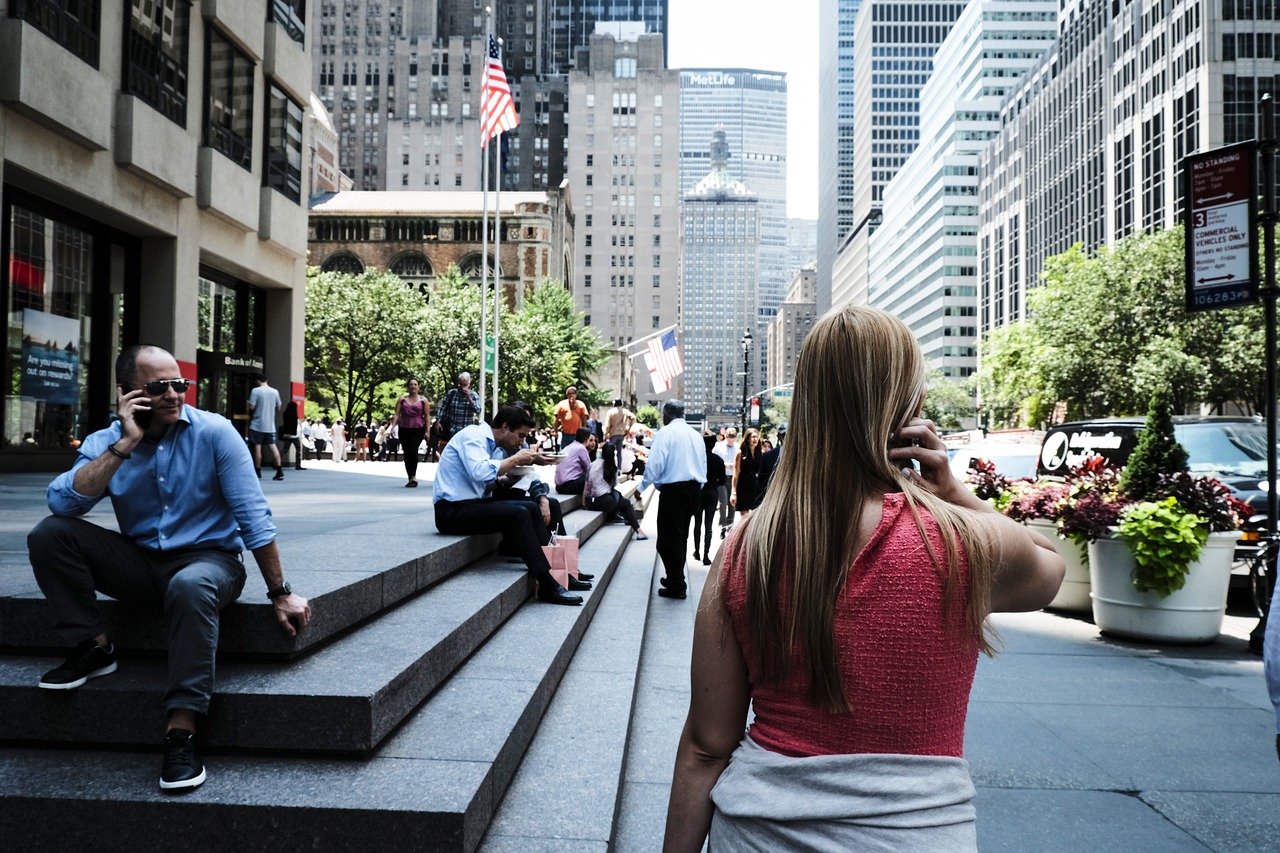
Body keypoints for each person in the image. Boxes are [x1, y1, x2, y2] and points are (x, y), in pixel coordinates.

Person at [662, 306, 1065, 851]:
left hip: (756, 832)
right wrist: (956, 493)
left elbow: (707, 747)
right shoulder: (966, 541)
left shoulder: (746, 547)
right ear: (911, 407)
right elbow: (1050, 567)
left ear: (806, 408)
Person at [27, 345, 312, 792]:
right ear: (127, 394)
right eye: (159, 387)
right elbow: (62, 502)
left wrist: (280, 592)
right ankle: (95, 644)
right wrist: (125, 444)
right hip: (141, 562)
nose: (174, 395)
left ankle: (182, 730)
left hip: (210, 562)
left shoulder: (215, 433)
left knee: (191, 584)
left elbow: (253, 516)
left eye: (179, 384)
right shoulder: (110, 441)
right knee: (50, 534)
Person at [433, 404, 586, 605]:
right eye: (520, 436)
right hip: (450, 512)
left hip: (469, 504)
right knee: (519, 514)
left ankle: (558, 572)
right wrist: (515, 460)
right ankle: (548, 584)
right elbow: (479, 472)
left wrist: (505, 480)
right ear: (505, 428)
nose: (521, 442)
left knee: (531, 507)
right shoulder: (473, 436)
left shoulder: (487, 443)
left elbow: (481, 485)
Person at [638, 400, 706, 600]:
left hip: (675, 492)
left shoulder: (665, 433)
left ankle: (677, 583)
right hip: (693, 490)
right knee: (680, 537)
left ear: (666, 415)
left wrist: (642, 487)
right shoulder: (695, 435)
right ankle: (674, 577)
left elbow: (655, 462)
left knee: (668, 540)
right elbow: (702, 464)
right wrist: (697, 487)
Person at [584, 443, 646, 540]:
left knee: (617, 496)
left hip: (592, 501)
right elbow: (613, 486)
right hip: (605, 501)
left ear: (602, 453)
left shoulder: (593, 464)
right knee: (626, 502)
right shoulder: (612, 467)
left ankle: (622, 515)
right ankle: (639, 531)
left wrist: (584, 501)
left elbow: (587, 484)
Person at [692, 432, 726, 567]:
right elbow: (722, 480)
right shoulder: (718, 460)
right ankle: (706, 554)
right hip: (712, 492)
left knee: (697, 523)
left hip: (699, 492)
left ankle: (697, 551)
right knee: (709, 525)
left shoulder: (697, 459)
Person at [390, 378, 431, 487]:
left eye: (415, 384)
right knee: (407, 453)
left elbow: (427, 417)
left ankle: (413, 476)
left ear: (418, 387)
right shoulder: (402, 400)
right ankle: (410, 477)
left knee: (413, 451)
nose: (413, 386)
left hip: (418, 428)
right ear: (408, 387)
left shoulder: (423, 400)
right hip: (404, 428)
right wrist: (392, 427)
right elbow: (396, 414)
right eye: (411, 384)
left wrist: (428, 431)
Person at [247, 373, 284, 480]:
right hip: (270, 426)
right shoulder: (275, 391)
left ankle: (258, 471)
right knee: (273, 447)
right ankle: (279, 470)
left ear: (257, 381)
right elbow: (279, 407)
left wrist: (248, 404)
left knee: (258, 447)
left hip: (257, 425)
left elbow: (252, 407)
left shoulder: (255, 391)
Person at [730, 428, 763, 521]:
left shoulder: (760, 453)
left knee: (756, 515)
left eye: (757, 437)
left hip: (756, 486)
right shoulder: (740, 453)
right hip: (743, 485)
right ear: (747, 438)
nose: (755, 439)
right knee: (745, 517)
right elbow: (735, 473)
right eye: (753, 437)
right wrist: (733, 492)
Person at [439, 372, 481, 440]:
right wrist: (438, 421)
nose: (462, 387)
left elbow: (478, 411)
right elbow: (442, 408)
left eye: (465, 385)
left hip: (467, 432)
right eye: (460, 384)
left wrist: (469, 398)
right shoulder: (452, 393)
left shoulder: (474, 395)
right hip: (453, 431)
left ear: (469, 384)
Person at [555, 428, 596, 495]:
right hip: (568, 485)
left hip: (558, 486)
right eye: (589, 439)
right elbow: (589, 468)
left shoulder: (569, 446)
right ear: (586, 439)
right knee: (593, 476)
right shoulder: (581, 448)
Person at [712, 428, 739, 532]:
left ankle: (730, 525)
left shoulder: (738, 447)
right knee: (723, 503)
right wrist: (723, 465)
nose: (730, 439)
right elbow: (714, 459)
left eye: (733, 437)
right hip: (722, 478)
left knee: (732, 504)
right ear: (726, 436)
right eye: (729, 437)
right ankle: (723, 524)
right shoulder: (719, 447)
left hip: (733, 478)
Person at [756, 422, 786, 501]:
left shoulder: (802, 455)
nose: (787, 438)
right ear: (779, 436)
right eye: (784, 435)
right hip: (772, 499)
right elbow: (761, 481)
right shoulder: (768, 456)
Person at [553, 386, 589, 450]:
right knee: (565, 452)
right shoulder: (562, 404)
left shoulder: (581, 404)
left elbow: (584, 420)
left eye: (573, 393)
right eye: (569, 394)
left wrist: (584, 432)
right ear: (567, 395)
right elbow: (556, 419)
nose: (571, 395)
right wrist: (555, 431)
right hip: (565, 434)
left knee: (576, 452)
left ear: (576, 395)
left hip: (577, 434)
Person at [280, 400, 304, 471]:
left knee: (285, 449)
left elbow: (286, 424)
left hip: (287, 435)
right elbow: (294, 425)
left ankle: (276, 461)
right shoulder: (294, 414)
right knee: (298, 449)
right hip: (294, 435)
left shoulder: (285, 414)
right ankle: (298, 465)